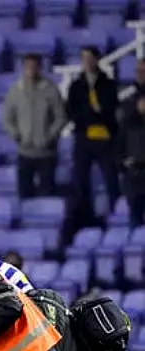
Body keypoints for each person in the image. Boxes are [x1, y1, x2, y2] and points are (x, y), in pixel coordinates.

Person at [66, 46, 120, 230]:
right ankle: (83, 217)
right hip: (84, 138)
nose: (87, 62)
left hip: (105, 138)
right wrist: (90, 116)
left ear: (97, 59)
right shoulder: (76, 85)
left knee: (110, 177)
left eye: (90, 58)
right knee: (80, 181)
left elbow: (110, 110)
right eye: (84, 58)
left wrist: (98, 115)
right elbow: (72, 112)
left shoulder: (108, 83)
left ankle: (115, 215)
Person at [1, 53, 67, 198]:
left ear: (40, 68)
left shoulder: (50, 89)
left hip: (47, 152)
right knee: (24, 193)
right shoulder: (16, 90)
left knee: (47, 192)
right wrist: (16, 135)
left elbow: (61, 116)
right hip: (25, 152)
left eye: (34, 66)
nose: (31, 69)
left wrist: (49, 137)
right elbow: (7, 117)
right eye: (28, 66)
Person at [118, 93, 145, 228]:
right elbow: (119, 149)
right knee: (135, 213)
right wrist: (123, 162)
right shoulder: (128, 126)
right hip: (133, 175)